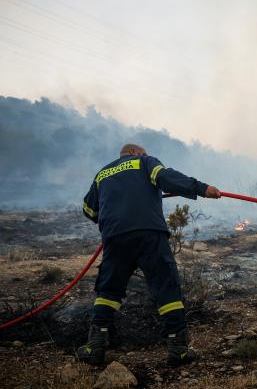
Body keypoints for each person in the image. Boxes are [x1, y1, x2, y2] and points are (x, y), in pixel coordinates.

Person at [77, 143, 221, 366]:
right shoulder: (144, 162)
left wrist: (114, 213)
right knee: (166, 286)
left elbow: (89, 210)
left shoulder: (102, 173)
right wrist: (203, 189)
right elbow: (166, 178)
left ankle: (94, 346)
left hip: (115, 237)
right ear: (135, 153)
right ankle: (178, 348)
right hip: (148, 233)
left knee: (109, 290)